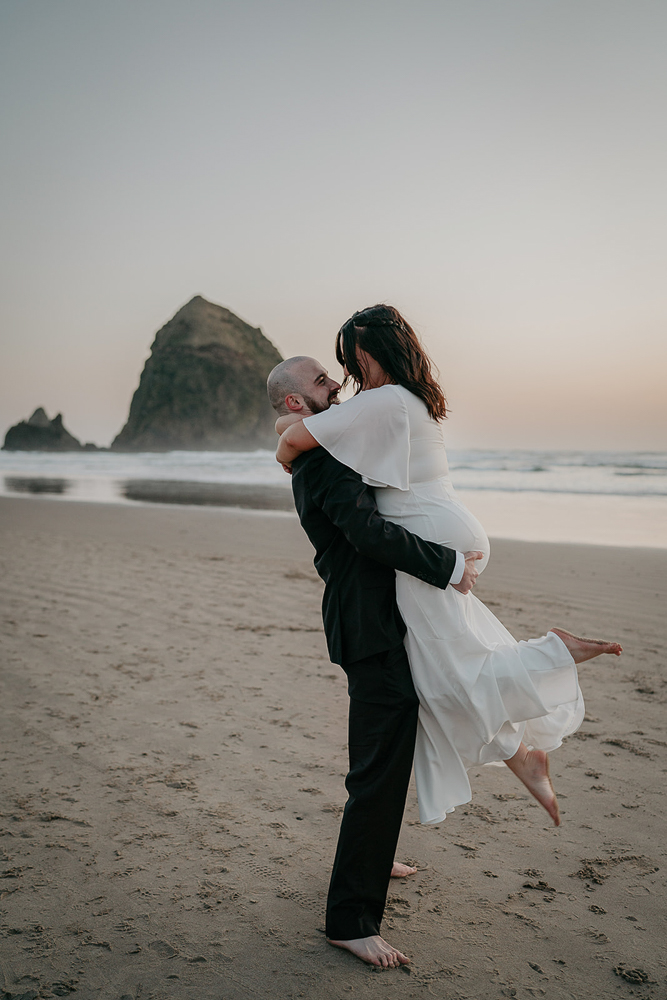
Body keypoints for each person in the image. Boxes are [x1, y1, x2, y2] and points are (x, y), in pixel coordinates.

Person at [276, 306, 622, 832]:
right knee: (443, 664)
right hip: (445, 528)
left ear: (368, 353)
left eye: (348, 361)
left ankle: (554, 656)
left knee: (446, 677)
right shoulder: (405, 398)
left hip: (433, 541)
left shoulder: (384, 401)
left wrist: (286, 431)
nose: (346, 376)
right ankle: (522, 754)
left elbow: (291, 439)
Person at [266, 355, 481, 969]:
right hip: (369, 627)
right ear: (295, 405)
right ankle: (350, 920)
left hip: (371, 621)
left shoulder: (324, 447)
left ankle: (375, 849)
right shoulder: (323, 459)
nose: (336, 386)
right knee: (378, 767)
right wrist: (449, 567)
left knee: (380, 754)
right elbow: (368, 534)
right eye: (322, 383)